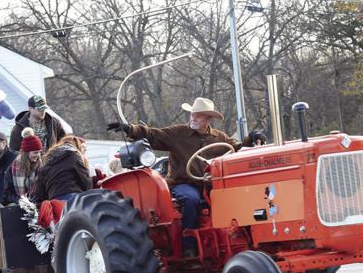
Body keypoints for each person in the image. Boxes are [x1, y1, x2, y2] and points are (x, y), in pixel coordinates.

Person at [107, 97, 265, 256]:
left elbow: (236, 148)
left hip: (207, 184)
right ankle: (188, 243)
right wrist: (130, 129)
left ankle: (237, 237)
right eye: (192, 114)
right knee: (192, 200)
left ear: (208, 119)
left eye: (198, 115)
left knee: (231, 196)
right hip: (183, 183)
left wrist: (250, 138)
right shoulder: (177, 133)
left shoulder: (219, 138)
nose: (193, 117)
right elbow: (153, 135)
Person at [36, 135, 92, 203]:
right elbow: (86, 182)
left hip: (53, 200)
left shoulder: (48, 159)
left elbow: (40, 189)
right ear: (77, 146)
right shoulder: (74, 155)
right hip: (72, 197)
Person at [2, 128, 43, 204]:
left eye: (39, 152)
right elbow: (7, 193)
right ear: (27, 152)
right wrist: (20, 201)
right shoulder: (13, 168)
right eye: (35, 153)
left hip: (37, 205)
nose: (38, 155)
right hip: (19, 205)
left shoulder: (41, 167)